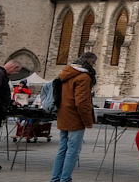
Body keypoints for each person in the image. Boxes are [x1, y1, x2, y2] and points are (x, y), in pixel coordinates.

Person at [50, 52, 97, 182]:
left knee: (62, 149)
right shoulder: (83, 77)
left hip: (64, 114)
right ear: (90, 62)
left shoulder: (67, 73)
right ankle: (65, 179)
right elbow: (82, 102)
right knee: (73, 151)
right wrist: (88, 121)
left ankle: (56, 178)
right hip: (75, 117)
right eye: (94, 63)